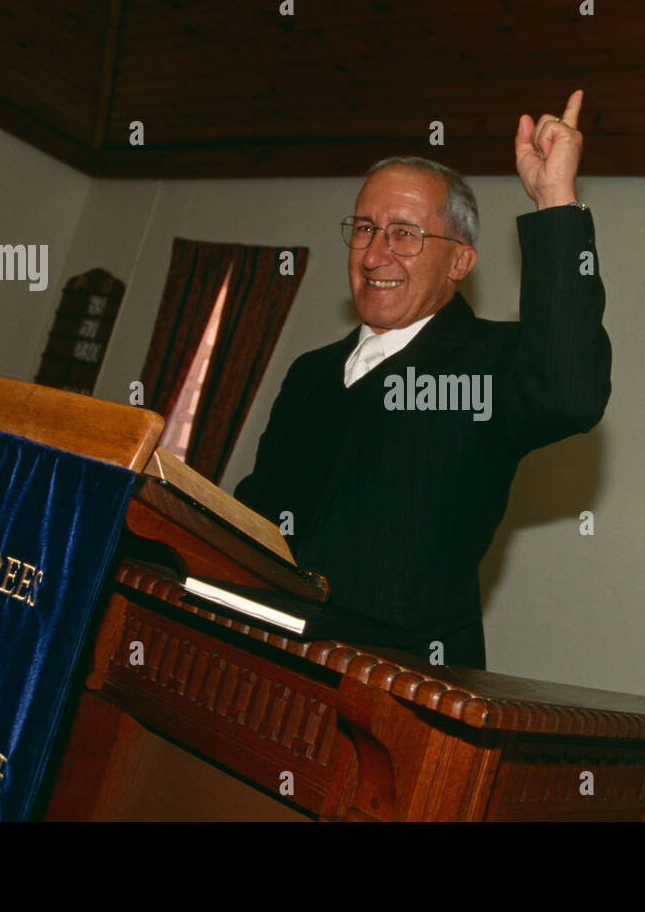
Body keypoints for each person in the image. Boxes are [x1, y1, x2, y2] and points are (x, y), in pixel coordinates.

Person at [234, 90, 610, 668]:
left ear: (460, 261)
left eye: (405, 234)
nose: (373, 255)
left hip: (401, 683)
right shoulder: (309, 372)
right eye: (365, 228)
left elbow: (569, 393)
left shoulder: (490, 365)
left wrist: (554, 198)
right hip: (261, 660)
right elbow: (258, 514)